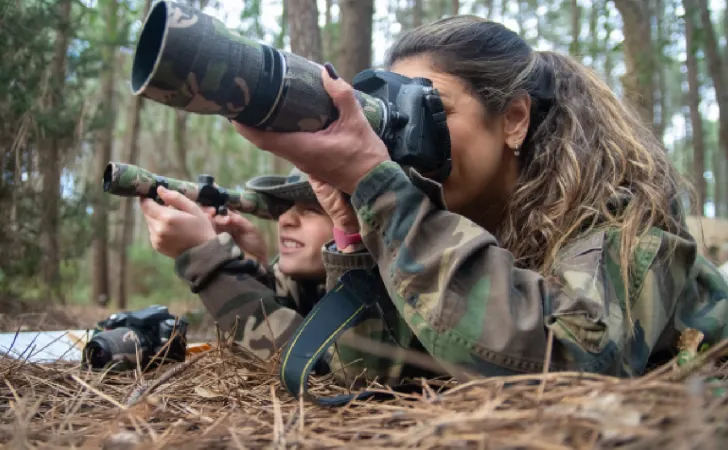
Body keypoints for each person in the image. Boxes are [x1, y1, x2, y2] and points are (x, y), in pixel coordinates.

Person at [219, 14, 728, 380]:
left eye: (433, 110)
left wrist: (387, 194)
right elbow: (373, 378)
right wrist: (353, 234)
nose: (409, 143)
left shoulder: (621, 221)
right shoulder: (445, 221)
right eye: (396, 121)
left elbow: (571, 363)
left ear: (513, 120)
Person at [139, 167, 370, 363]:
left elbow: (322, 362)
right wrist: (253, 269)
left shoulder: (387, 291)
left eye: (311, 210)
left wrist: (205, 257)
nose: (285, 219)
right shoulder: (311, 282)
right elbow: (300, 320)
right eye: (285, 208)